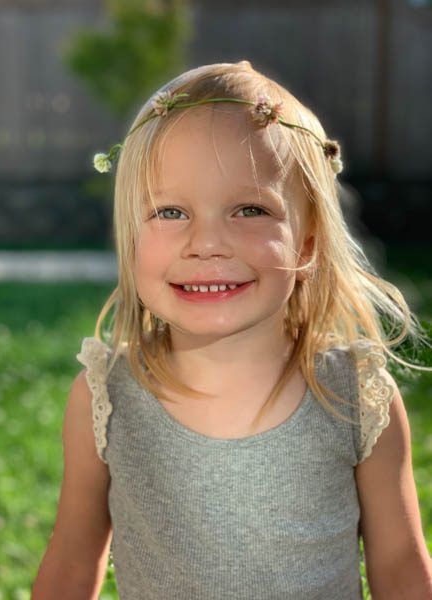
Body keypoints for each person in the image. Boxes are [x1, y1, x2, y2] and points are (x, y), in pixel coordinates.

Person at [31, 60, 432, 599]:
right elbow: (71, 563)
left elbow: (402, 568)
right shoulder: (106, 398)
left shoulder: (356, 397)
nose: (206, 243)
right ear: (130, 238)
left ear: (308, 243)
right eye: (170, 212)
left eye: (249, 210)